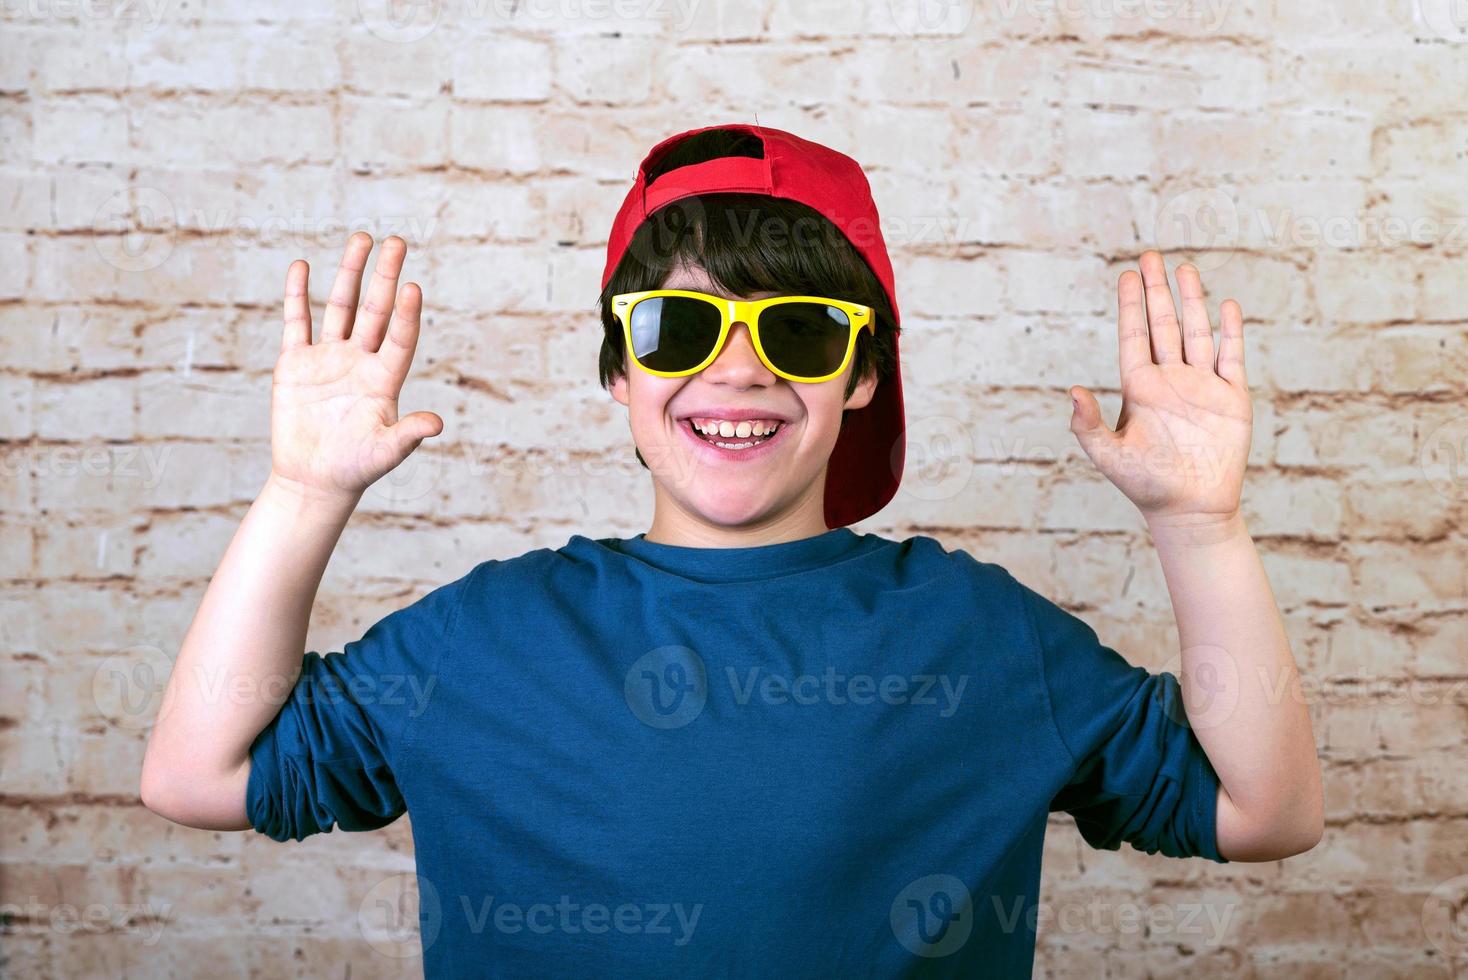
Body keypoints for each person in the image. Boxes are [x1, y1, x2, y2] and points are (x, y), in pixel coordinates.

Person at [139, 124, 1323, 977]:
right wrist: (301, 492)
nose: (739, 368)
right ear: (619, 370)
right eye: (680, 326)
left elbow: (1266, 809)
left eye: (800, 330)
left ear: (861, 375)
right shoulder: (486, 634)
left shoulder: (979, 633)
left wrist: (1196, 524)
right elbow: (197, 775)